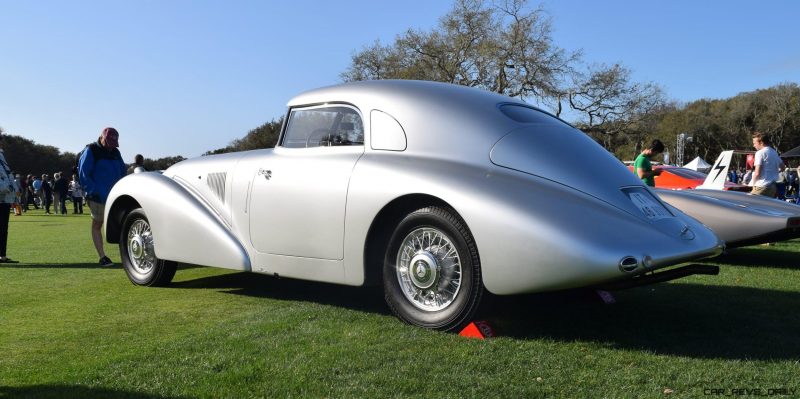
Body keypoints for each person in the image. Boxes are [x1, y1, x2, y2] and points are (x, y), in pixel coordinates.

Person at [79, 127, 126, 266]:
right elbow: (83, 174)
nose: (112, 147)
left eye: (114, 144)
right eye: (109, 143)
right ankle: (102, 257)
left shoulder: (116, 152)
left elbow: (122, 171)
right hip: (98, 196)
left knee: (122, 225)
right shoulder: (91, 150)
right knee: (97, 225)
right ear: (102, 138)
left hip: (116, 195)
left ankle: (126, 255)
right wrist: (93, 191)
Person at [0, 131, 18, 263]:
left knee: (3, 228)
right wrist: (5, 186)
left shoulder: (1, 156)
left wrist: (14, 188)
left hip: (5, 197)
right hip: (2, 194)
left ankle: (2, 256)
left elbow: (8, 174)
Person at [749, 132, 784, 197]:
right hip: (772, 187)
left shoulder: (759, 153)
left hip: (761, 186)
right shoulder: (774, 152)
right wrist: (774, 172)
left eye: (754, 143)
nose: (753, 145)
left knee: (747, 204)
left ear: (761, 143)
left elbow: (757, 173)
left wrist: (753, 185)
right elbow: (783, 167)